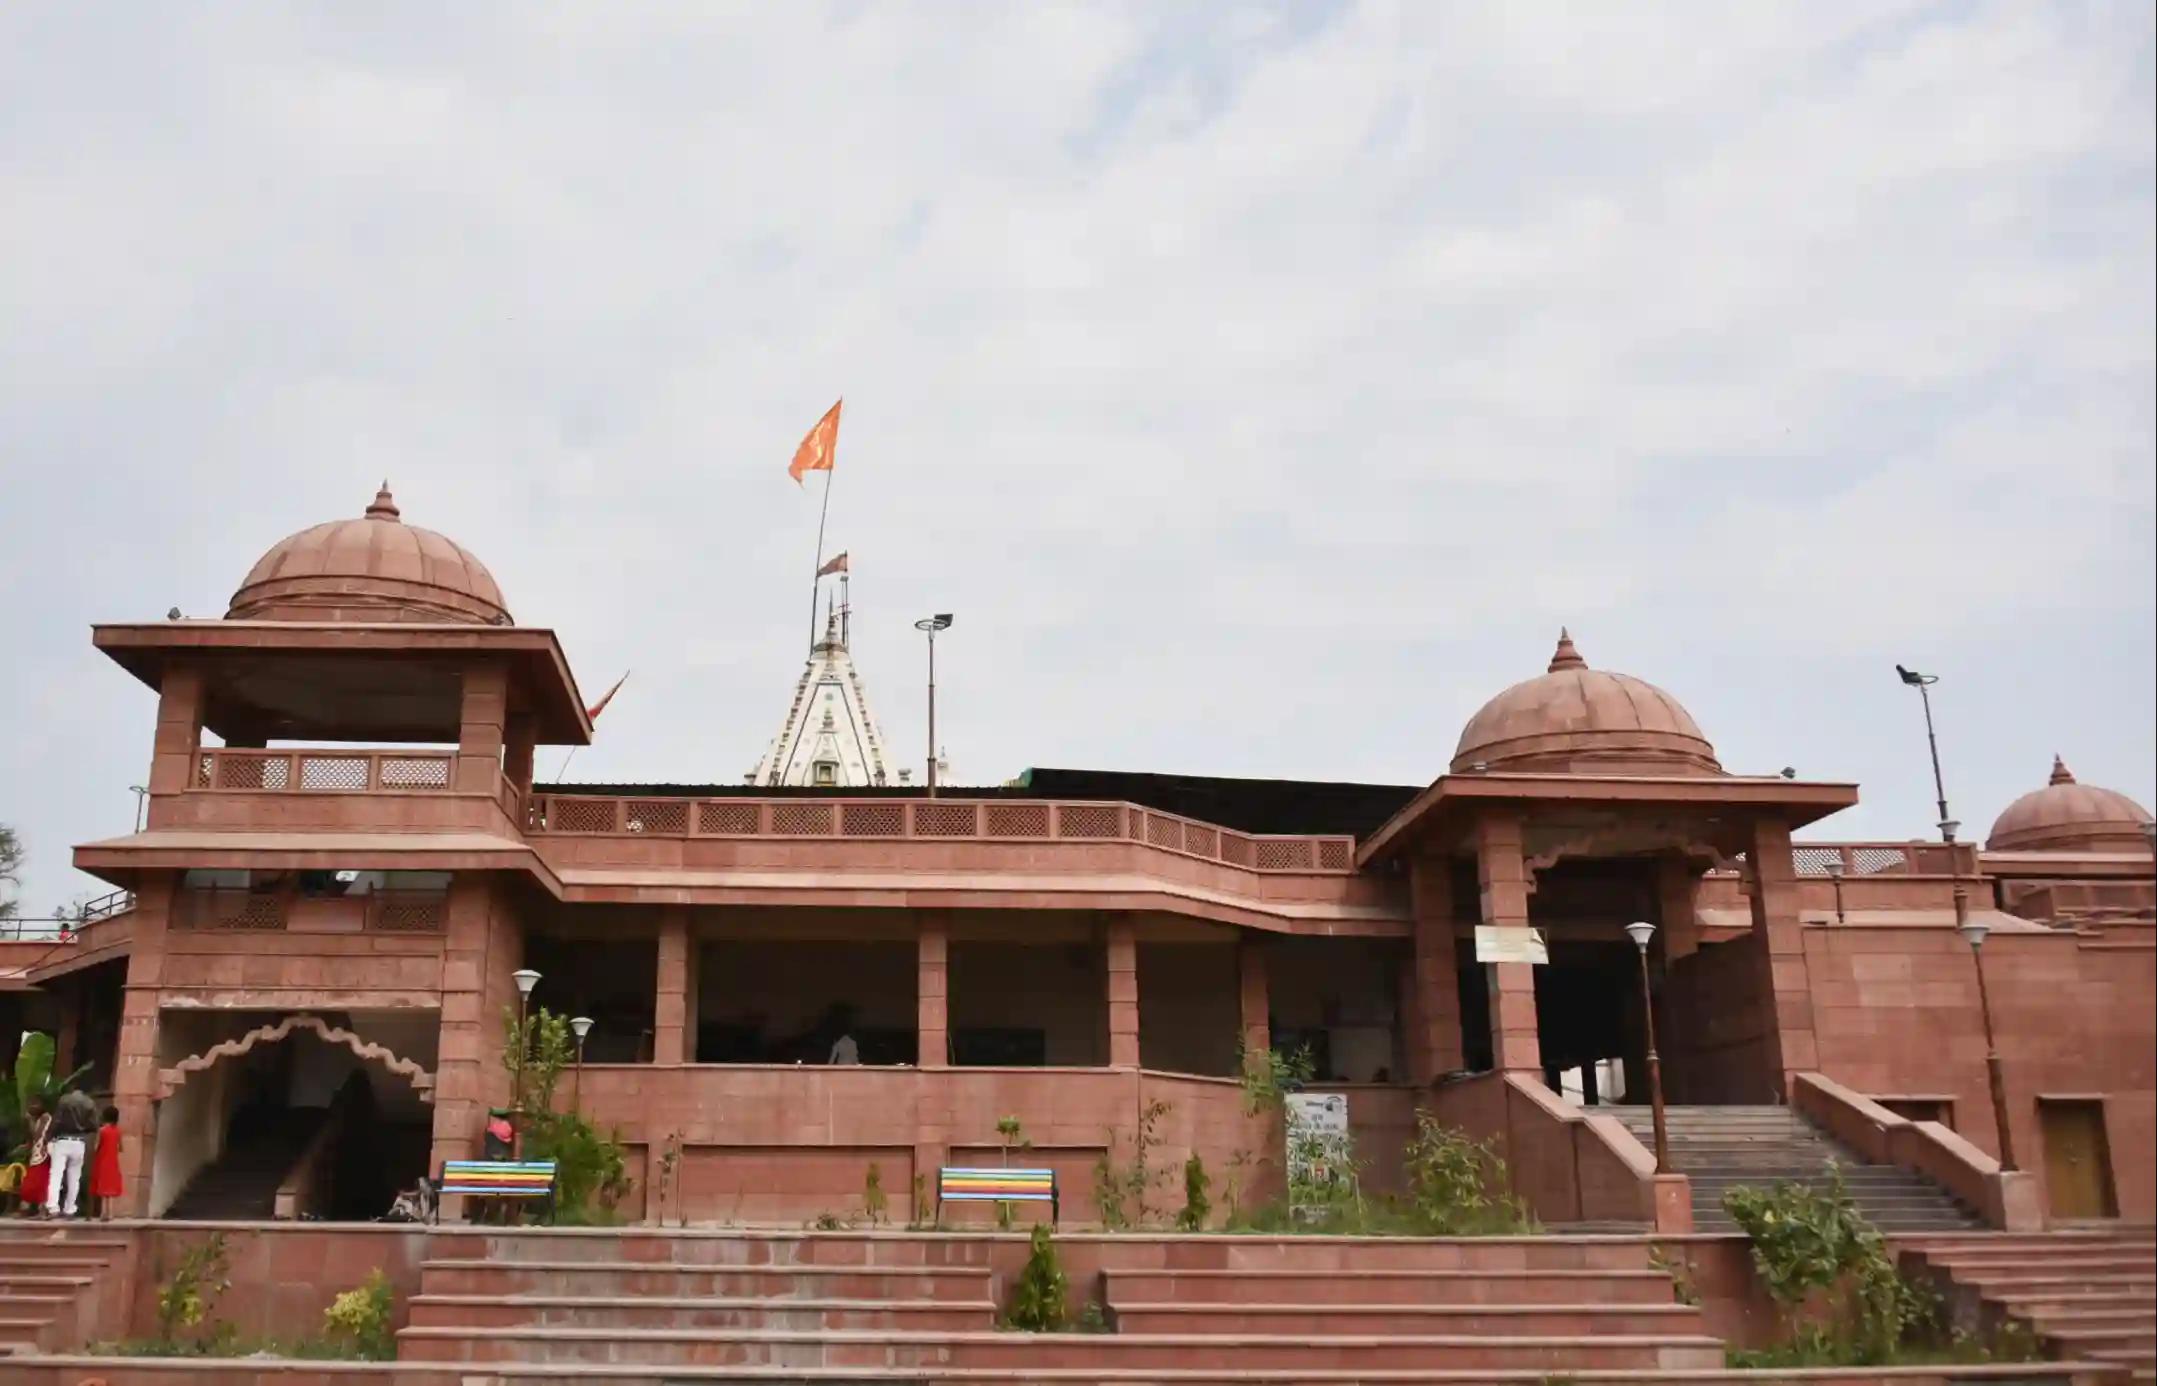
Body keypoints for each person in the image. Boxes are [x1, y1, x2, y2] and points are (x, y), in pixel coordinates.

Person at [46, 1090, 97, 1218]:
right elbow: (93, 1125)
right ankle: (70, 1209)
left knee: (56, 1175)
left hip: (62, 1141)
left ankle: (53, 1207)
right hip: (79, 1142)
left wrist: (49, 1136)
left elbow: (56, 1121)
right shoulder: (89, 1103)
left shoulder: (64, 1100)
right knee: (74, 1178)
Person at [17, 1099, 51, 1217]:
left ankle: (40, 1209)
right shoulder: (40, 1119)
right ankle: (28, 1208)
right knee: (33, 1183)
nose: (32, 1107)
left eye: (35, 1104)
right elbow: (33, 1139)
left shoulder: (45, 1118)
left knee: (38, 1183)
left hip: (42, 1156)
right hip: (37, 1155)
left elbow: (37, 1136)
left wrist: (29, 1120)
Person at [88, 1106, 123, 1219]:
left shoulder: (102, 1130)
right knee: (111, 1186)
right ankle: (111, 1213)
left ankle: (103, 1213)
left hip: (103, 1160)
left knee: (103, 1186)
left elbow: (96, 1146)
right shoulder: (118, 1131)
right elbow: (121, 1148)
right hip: (113, 1161)